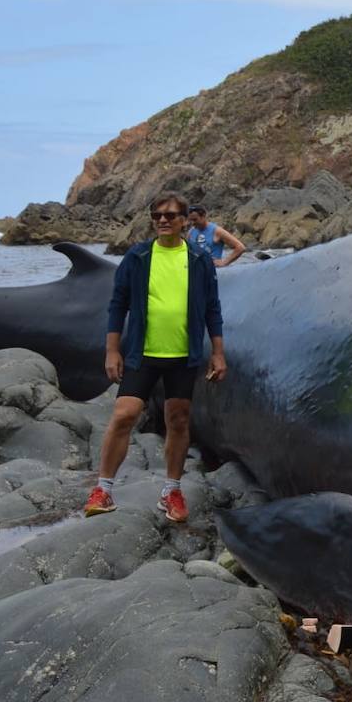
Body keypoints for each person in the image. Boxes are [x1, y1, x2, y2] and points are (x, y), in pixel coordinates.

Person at [84, 193, 227, 523]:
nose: (163, 220)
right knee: (124, 414)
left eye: (170, 215)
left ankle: (171, 491)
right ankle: (103, 489)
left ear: (184, 220)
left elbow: (212, 308)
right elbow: (118, 304)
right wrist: (111, 350)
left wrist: (218, 352)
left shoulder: (198, 258)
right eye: (157, 215)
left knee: (177, 420)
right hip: (141, 353)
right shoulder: (138, 256)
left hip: (183, 355)